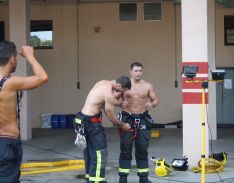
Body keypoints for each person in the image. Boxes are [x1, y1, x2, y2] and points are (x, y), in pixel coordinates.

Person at [0, 41, 48, 183]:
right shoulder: (9, 82)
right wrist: (30, 56)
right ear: (12, 59)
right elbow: (42, 77)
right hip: (7, 143)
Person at [73, 76, 132, 183]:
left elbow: (104, 102)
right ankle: (97, 180)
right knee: (100, 153)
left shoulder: (102, 82)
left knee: (89, 153)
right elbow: (110, 113)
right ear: (118, 86)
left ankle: (90, 178)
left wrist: (119, 104)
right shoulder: (108, 93)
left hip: (81, 120)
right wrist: (122, 125)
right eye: (122, 91)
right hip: (91, 124)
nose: (121, 94)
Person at [118, 62, 159, 183]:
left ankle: (143, 178)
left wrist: (151, 104)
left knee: (142, 149)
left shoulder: (147, 86)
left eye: (140, 70)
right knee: (125, 149)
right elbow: (113, 98)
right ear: (130, 72)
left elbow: (156, 100)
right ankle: (123, 178)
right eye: (135, 71)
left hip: (142, 119)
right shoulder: (124, 85)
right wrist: (120, 104)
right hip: (127, 119)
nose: (138, 73)